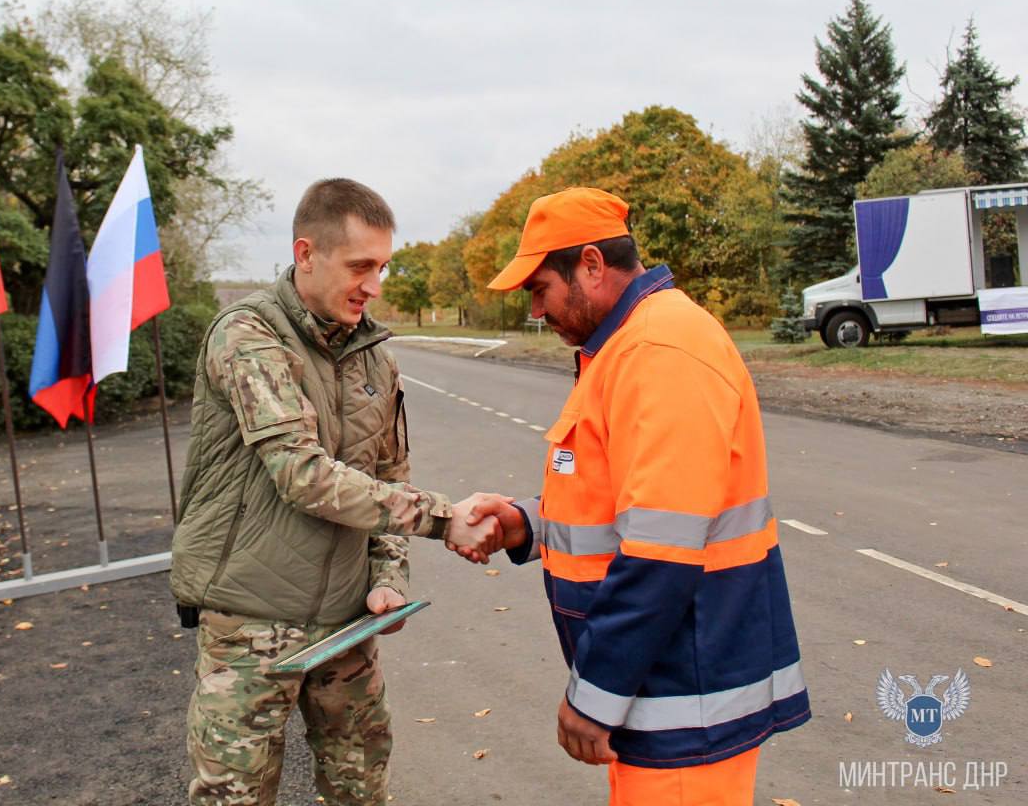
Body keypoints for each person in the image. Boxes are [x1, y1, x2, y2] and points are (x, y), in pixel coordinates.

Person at [455, 187, 811, 805]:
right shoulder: (626, 347)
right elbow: (624, 505)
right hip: (665, 690)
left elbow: (660, 551)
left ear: (591, 265)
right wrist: (524, 523)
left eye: (539, 289)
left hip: (687, 693)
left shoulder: (659, 352)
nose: (536, 311)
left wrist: (594, 693)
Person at [171, 178, 502, 806]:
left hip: (345, 627)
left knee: (362, 789)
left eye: (381, 265)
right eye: (359, 266)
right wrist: (442, 520)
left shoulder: (375, 355)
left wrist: (389, 575)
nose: (374, 285)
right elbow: (301, 472)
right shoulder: (248, 336)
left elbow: (388, 474)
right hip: (250, 627)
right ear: (305, 253)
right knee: (233, 797)